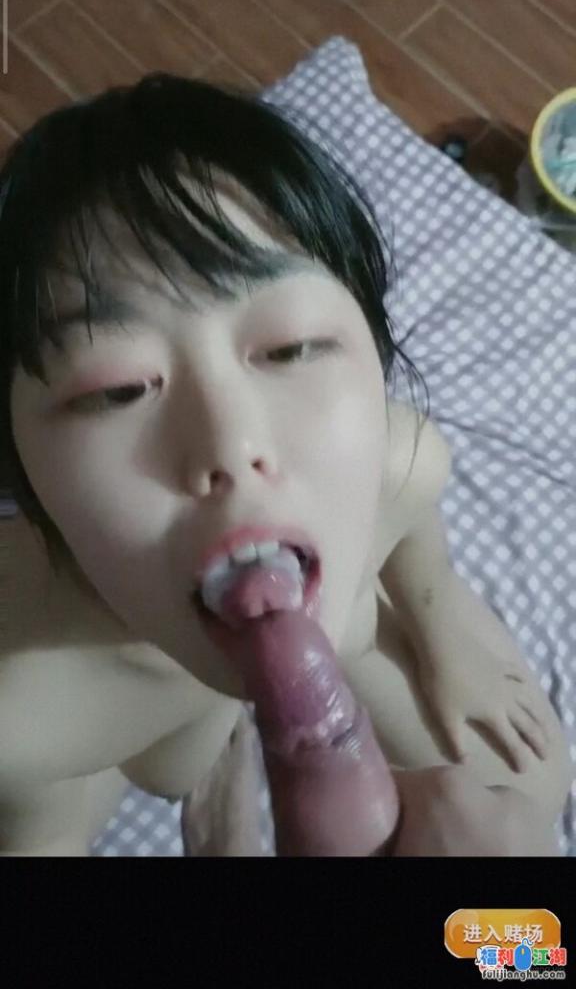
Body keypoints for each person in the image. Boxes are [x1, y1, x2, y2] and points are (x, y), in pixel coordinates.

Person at [0, 75, 571, 856]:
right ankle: (213, 803)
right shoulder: (22, 702)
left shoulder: (399, 466)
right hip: (125, 739)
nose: (232, 443)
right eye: (118, 390)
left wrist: (445, 638)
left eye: (291, 348)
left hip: (350, 641)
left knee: (532, 788)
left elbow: (422, 560)